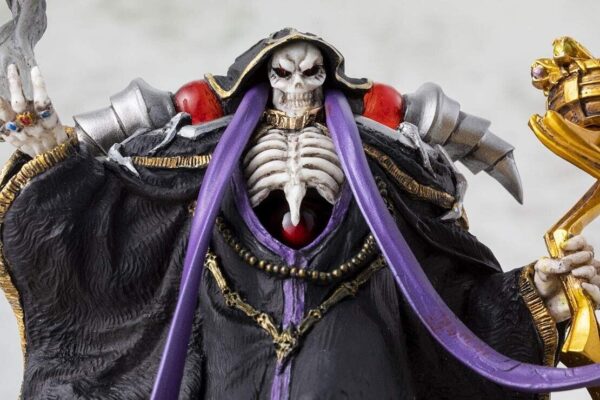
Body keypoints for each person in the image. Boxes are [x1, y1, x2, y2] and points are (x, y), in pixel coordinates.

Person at [1, 27, 600, 400]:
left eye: (311, 75)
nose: (297, 91)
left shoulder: (385, 229)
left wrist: (532, 295)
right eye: (283, 76)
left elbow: (453, 327)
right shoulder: (199, 233)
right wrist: (55, 166)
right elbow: (94, 266)